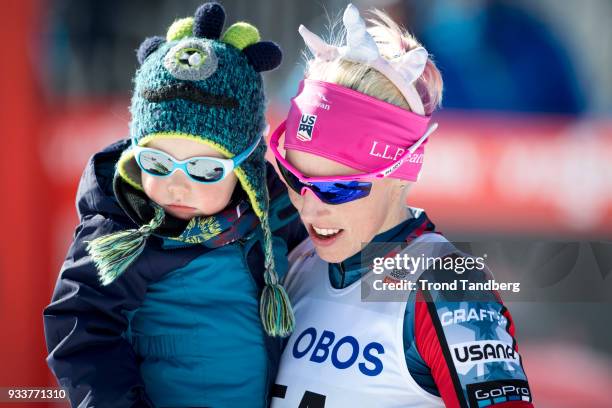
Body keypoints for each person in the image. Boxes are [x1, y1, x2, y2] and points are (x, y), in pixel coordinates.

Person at [270, 4, 534, 408]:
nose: (309, 210)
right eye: (294, 179)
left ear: (399, 174)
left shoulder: (445, 284)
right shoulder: (297, 259)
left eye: (338, 189)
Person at [43, 3, 305, 407]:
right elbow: (81, 330)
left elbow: (343, 267)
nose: (176, 185)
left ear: (246, 166)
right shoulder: (123, 230)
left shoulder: (273, 214)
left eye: (203, 169)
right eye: (158, 163)